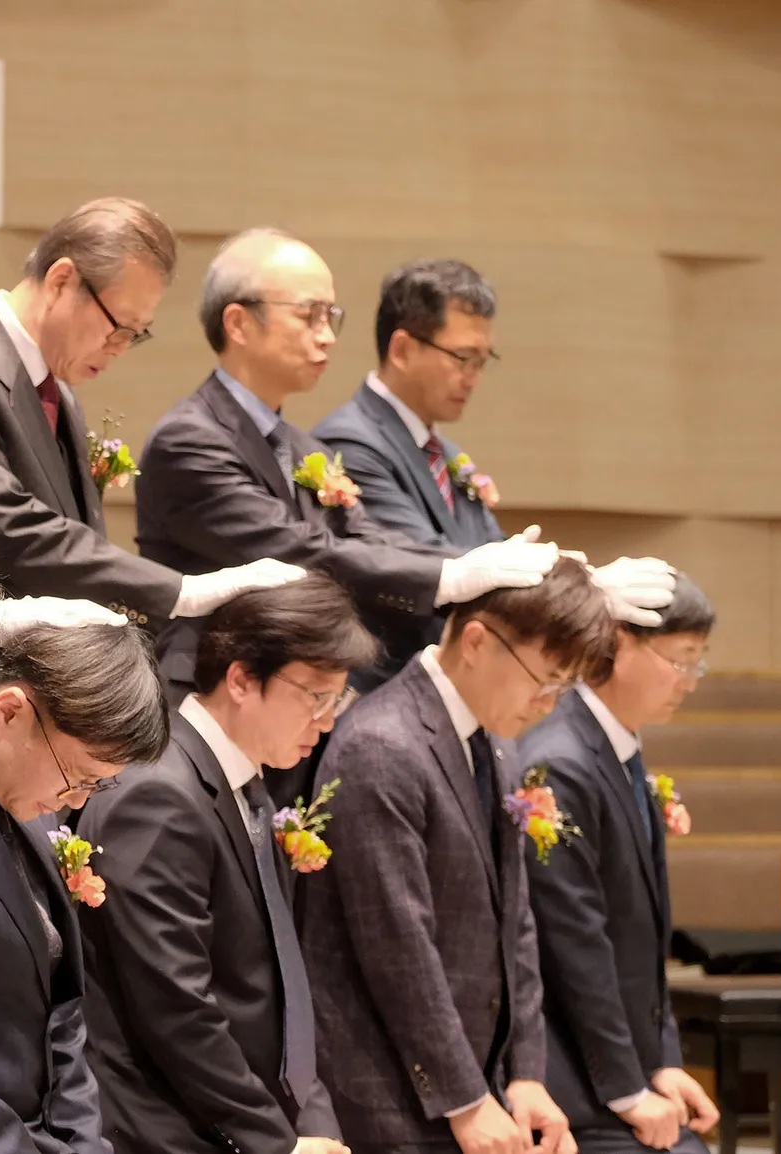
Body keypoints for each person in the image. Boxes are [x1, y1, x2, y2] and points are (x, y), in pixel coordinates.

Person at [135, 230, 562, 700]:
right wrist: (450, 576)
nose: (326, 336)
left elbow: (368, 536)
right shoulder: (189, 440)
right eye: (309, 316)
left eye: (331, 317)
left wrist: (478, 563)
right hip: (207, 694)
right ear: (238, 323)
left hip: (288, 696)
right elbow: (301, 550)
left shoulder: (301, 444)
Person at [300, 559, 621, 1154]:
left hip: (476, 1082)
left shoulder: (492, 739)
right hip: (391, 1095)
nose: (547, 704)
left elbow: (516, 920)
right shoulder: (383, 745)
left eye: (563, 688)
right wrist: (466, 1100)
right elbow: (399, 947)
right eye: (545, 679)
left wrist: (525, 1073)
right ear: (476, 641)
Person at [0, 198, 304, 652]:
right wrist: (181, 591)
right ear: (62, 280)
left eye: (136, 334)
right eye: (120, 327)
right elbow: (6, 528)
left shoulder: (59, 389)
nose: (120, 347)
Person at [75, 577, 377, 1154]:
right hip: (168, 1130)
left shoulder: (245, 782)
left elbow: (280, 980)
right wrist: (276, 1142)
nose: (327, 721)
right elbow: (176, 1007)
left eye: (337, 701)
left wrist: (314, 1123)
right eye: (315, 697)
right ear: (240, 680)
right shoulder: (159, 794)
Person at [0, 621, 168, 1153]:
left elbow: (63, 1006)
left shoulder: (30, 799)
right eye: (78, 776)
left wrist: (81, 1140)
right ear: (11, 711)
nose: (77, 800)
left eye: (96, 784)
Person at [524, 577, 722, 1154]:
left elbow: (641, 944)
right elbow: (574, 943)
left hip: (619, 1067)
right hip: (569, 1078)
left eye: (697, 662)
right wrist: (627, 1090)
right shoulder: (561, 762)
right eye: (679, 660)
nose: (689, 681)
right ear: (618, 642)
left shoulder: (615, 746)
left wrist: (662, 1062)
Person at [312, 260, 506, 688]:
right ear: (401, 350)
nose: (473, 378)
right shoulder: (349, 442)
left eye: (482, 360)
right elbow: (427, 559)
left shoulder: (447, 455)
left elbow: (495, 549)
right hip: (387, 689)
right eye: (463, 358)